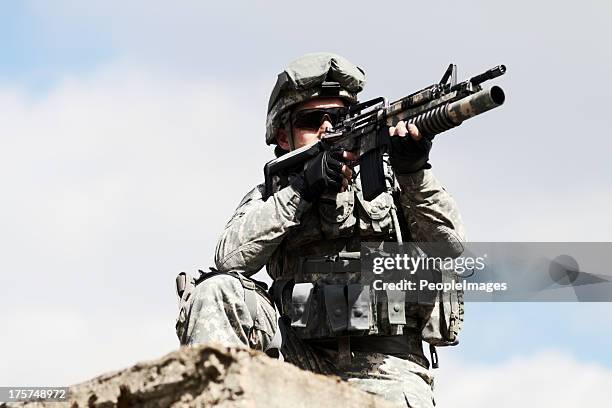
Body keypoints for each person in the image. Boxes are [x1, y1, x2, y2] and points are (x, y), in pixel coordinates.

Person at [175, 53, 466, 407]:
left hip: (386, 369)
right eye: (313, 119)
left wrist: (414, 170)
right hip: (297, 361)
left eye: (339, 117)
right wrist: (303, 190)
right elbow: (229, 258)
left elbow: (451, 249)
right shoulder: (275, 194)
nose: (327, 127)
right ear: (284, 136)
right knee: (216, 290)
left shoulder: (393, 183)